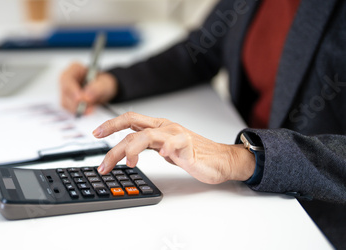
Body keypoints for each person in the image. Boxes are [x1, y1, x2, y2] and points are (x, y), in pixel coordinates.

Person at [59, 0, 346, 248]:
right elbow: (199, 51)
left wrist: (242, 157)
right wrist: (112, 82)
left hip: (319, 219)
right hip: (250, 197)